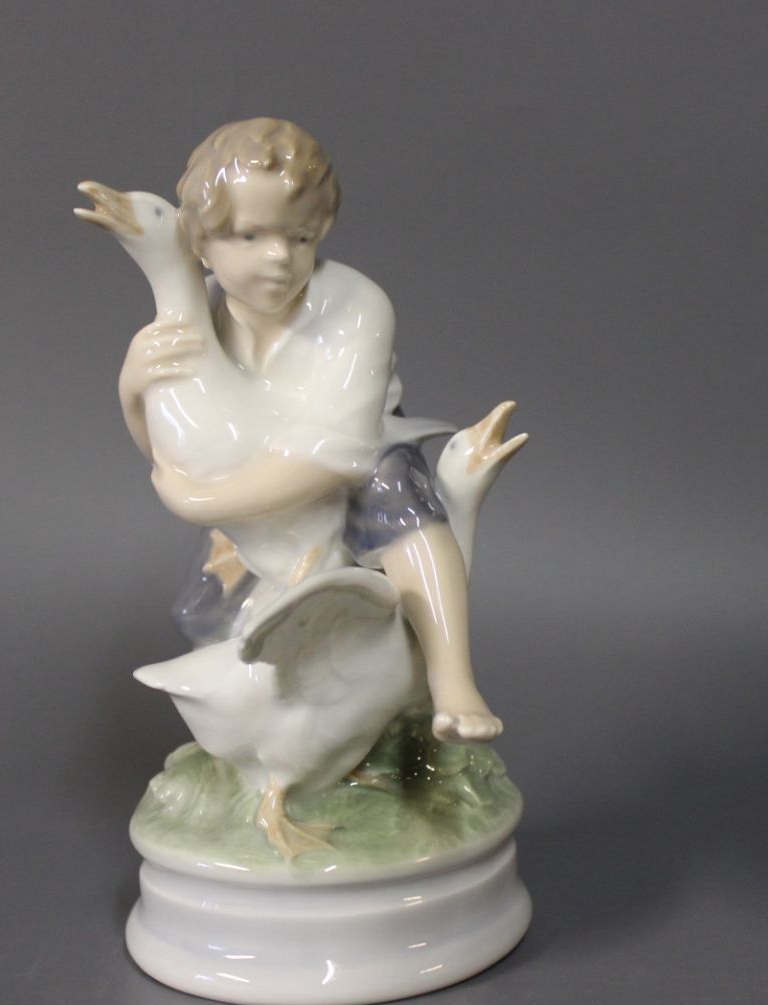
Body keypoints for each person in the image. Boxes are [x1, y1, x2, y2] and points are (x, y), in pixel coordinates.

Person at [118, 118, 503, 744]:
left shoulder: (356, 303)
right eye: (250, 235)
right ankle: (284, 734)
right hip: (252, 487)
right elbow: (171, 451)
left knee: (401, 498)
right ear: (198, 241)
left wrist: (201, 501)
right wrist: (133, 390)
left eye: (298, 236)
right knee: (206, 619)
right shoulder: (198, 313)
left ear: (321, 230)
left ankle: (452, 676)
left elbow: (336, 456)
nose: (279, 256)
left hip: (349, 468)